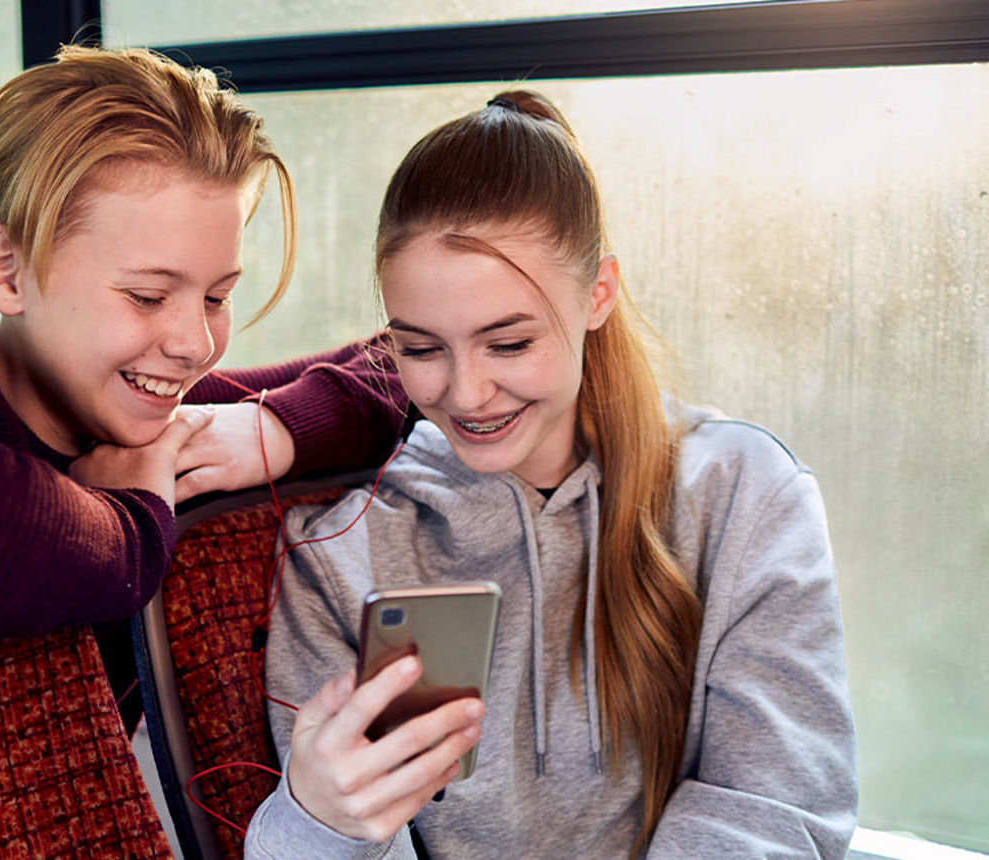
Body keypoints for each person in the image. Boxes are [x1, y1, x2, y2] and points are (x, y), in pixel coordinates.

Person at [245, 91, 857, 859]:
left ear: (597, 295)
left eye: (508, 344)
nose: (463, 394)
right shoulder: (341, 550)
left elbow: (770, 806)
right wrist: (316, 822)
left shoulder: (744, 496)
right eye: (422, 348)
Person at [0, 46, 404, 644]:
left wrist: (277, 427)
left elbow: (413, 359)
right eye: (146, 297)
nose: (195, 344)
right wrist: (137, 505)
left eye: (216, 298)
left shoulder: (148, 417)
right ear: (8, 272)